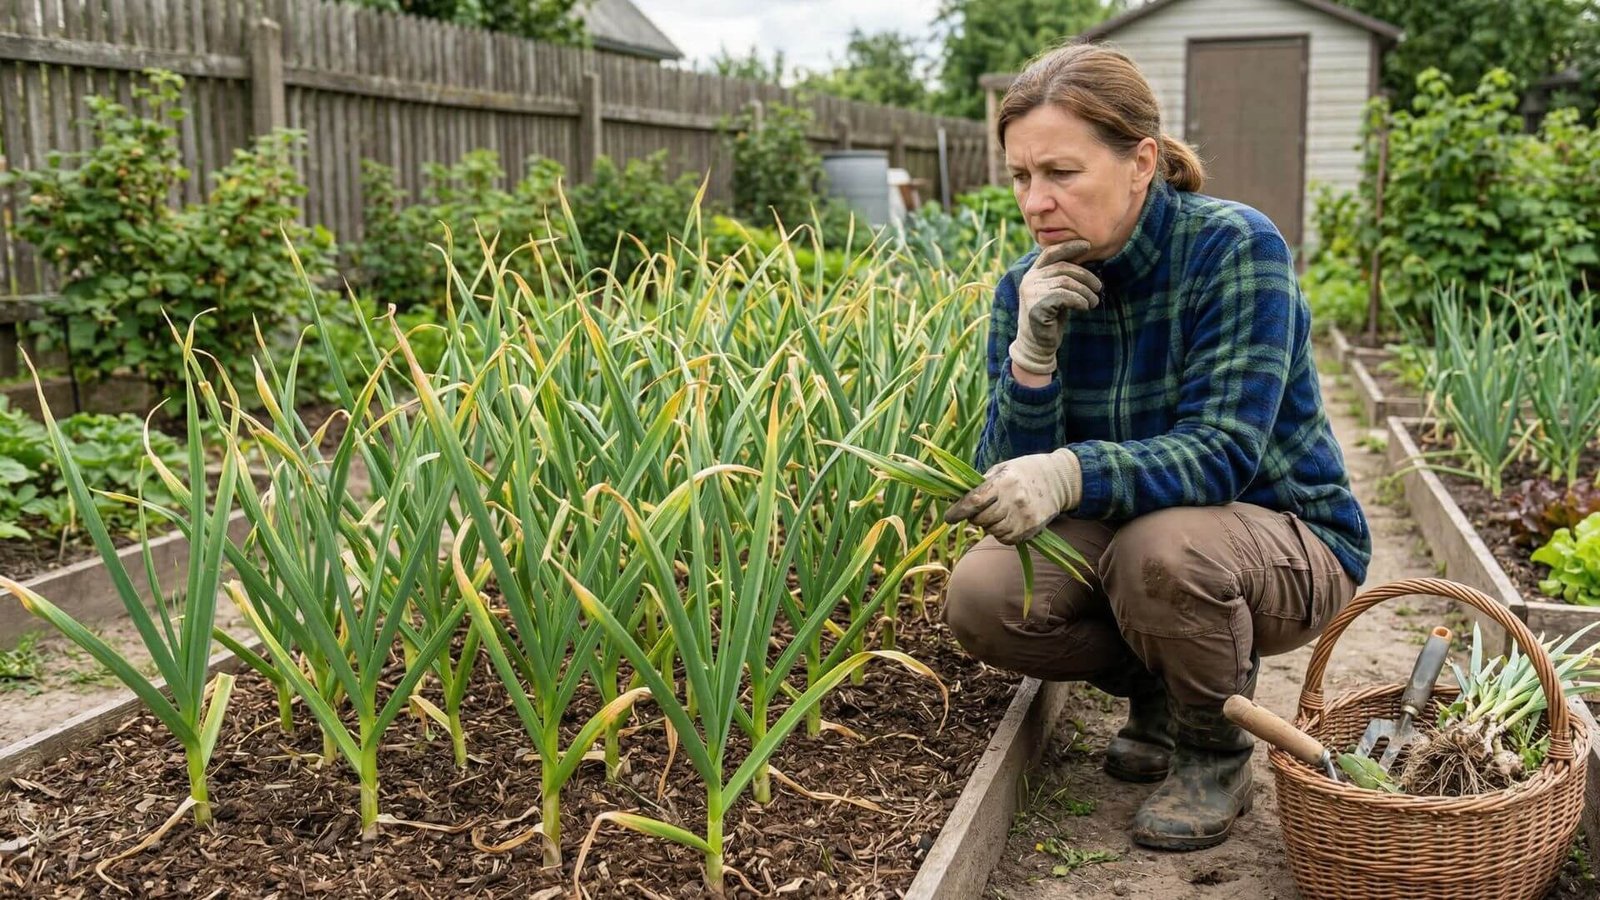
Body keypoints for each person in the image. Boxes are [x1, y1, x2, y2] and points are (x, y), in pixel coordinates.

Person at [940, 41, 1371, 852]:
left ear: (1141, 162)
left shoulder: (1234, 249)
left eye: (1061, 173)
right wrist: (1031, 361)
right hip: (1143, 543)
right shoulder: (1025, 285)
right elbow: (1012, 484)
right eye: (1021, 177)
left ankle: (1213, 751)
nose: (1036, 201)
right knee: (984, 595)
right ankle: (1164, 692)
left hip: (1286, 539)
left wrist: (1070, 470)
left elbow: (1221, 455)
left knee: (1159, 549)